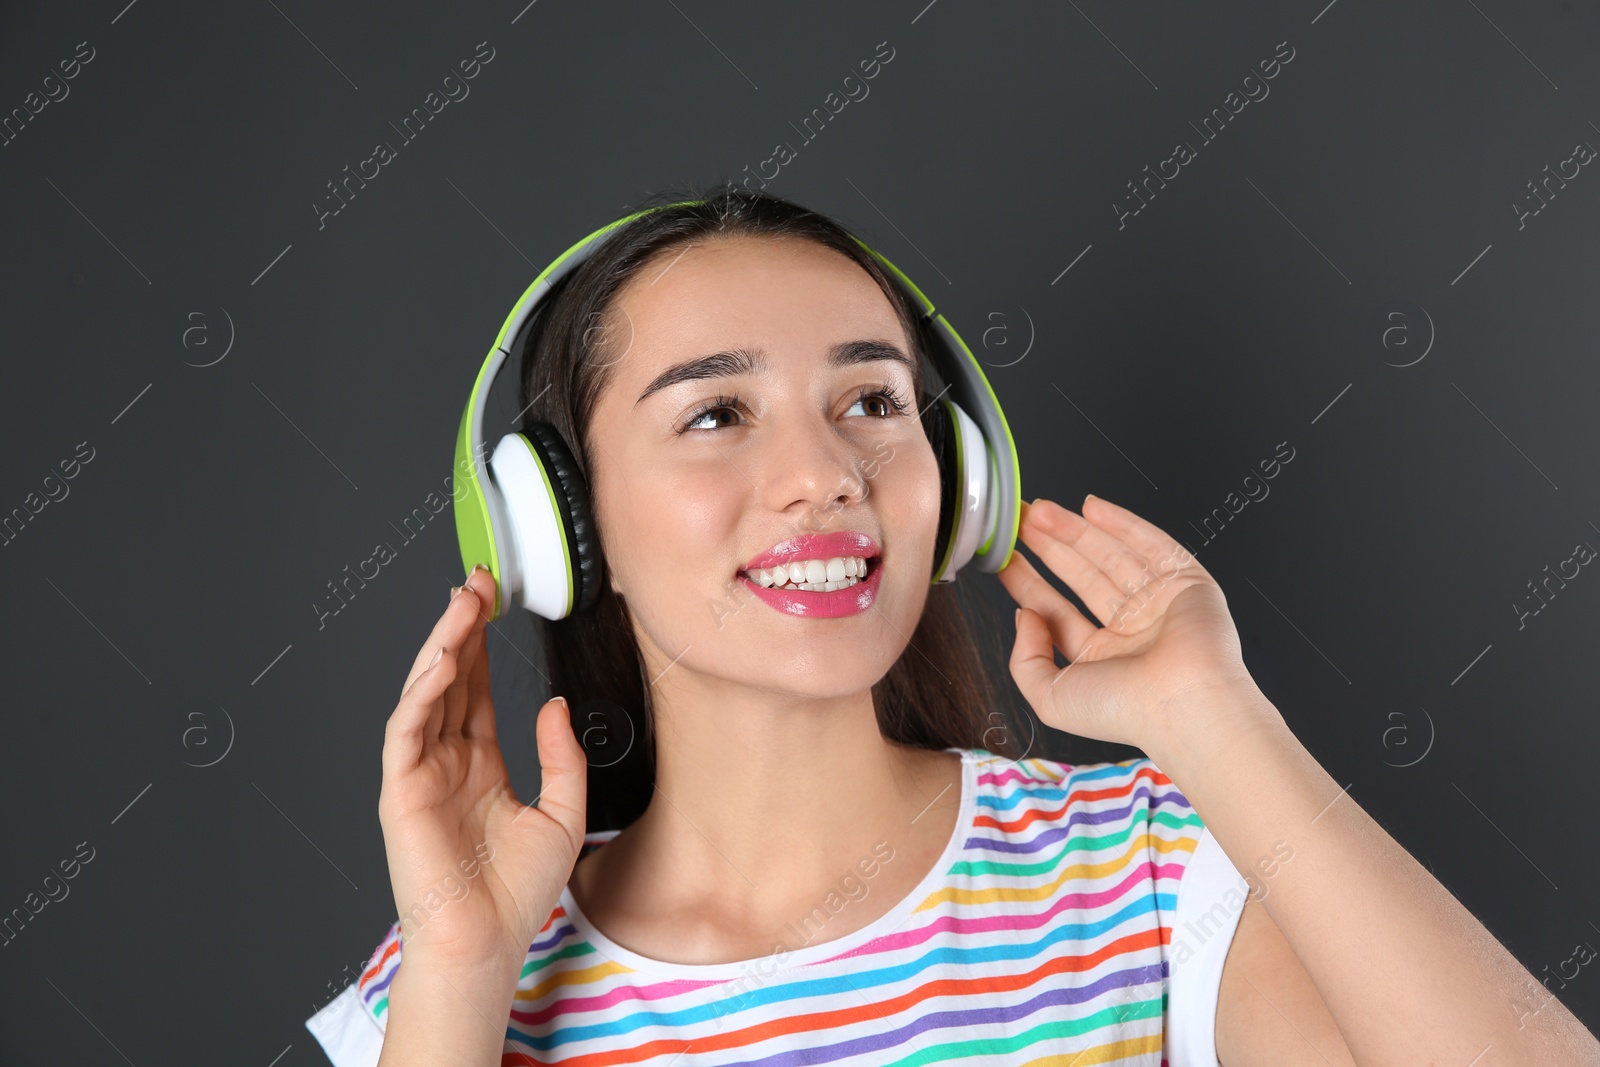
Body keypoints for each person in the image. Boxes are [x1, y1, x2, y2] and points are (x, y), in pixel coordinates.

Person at [306, 187, 1600, 1066]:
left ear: (957, 477)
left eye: (872, 401)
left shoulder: (1144, 877)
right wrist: (465, 976)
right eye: (716, 415)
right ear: (562, 528)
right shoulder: (453, 971)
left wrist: (1220, 724)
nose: (826, 473)